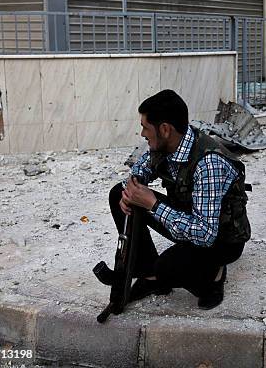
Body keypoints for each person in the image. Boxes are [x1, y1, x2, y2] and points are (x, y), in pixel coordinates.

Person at [107, 89, 251, 310]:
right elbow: (141, 167)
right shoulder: (169, 143)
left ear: (165, 129)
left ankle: (215, 275)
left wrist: (152, 204)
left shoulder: (209, 163)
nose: (143, 134)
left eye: (146, 127)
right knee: (119, 192)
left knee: (168, 267)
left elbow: (205, 234)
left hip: (220, 238)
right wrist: (132, 189)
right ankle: (150, 276)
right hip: (188, 219)